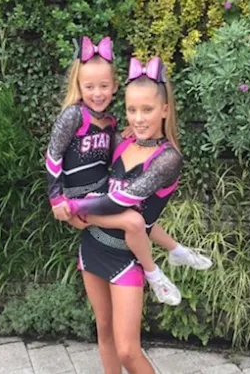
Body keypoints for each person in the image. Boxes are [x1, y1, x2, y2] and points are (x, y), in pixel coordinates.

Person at [46, 36, 212, 306]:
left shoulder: (112, 124)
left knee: (139, 220)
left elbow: (119, 184)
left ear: (113, 87)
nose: (97, 93)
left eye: (104, 86)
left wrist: (129, 135)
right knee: (133, 221)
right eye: (89, 86)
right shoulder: (74, 115)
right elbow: (53, 155)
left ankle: (176, 250)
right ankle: (154, 272)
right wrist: (58, 199)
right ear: (78, 85)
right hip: (81, 202)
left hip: (95, 197)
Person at [59, 55, 189, 373]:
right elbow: (84, 165)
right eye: (132, 110)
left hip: (126, 257)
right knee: (104, 331)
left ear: (165, 110)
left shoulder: (168, 159)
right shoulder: (121, 140)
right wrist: (63, 193)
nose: (139, 118)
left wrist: (75, 208)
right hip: (92, 247)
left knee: (129, 351)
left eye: (147, 110)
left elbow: (121, 200)